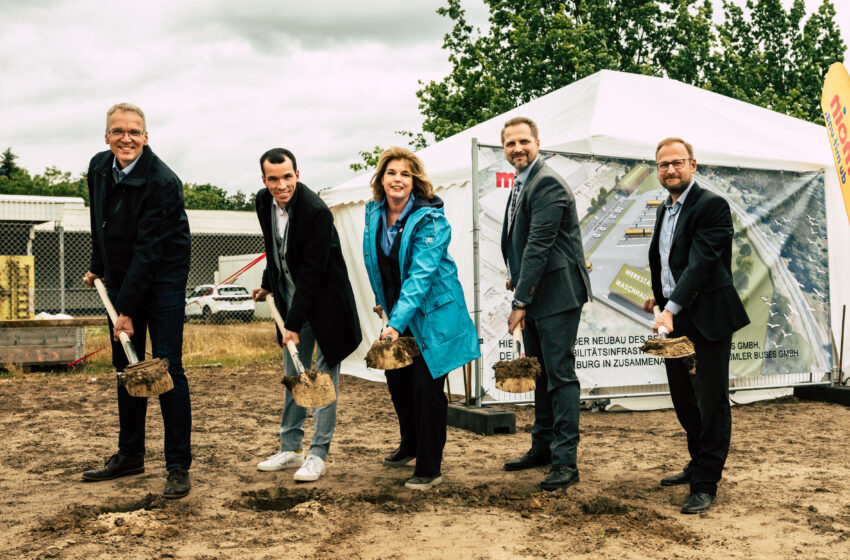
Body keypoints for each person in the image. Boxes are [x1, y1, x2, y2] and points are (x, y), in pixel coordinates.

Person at [81, 103, 192, 499]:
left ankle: (178, 465)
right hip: (123, 276)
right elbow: (101, 222)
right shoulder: (99, 167)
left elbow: (149, 250)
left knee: (164, 368)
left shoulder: (162, 182)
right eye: (117, 131)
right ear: (107, 136)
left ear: (146, 137)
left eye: (134, 132)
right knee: (127, 367)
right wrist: (99, 266)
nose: (125, 138)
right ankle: (131, 455)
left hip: (162, 277)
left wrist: (124, 310)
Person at [642, 137, 749, 514]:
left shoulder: (712, 206)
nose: (670, 170)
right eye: (663, 165)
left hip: (707, 319)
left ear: (693, 165)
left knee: (711, 402)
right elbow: (669, 261)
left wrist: (670, 307)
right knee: (685, 399)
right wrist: (661, 297)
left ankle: (706, 483)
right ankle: (696, 463)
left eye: (677, 163)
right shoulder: (664, 209)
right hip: (676, 317)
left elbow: (701, 264)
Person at [362, 147, 480, 491]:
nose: (398, 179)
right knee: (398, 384)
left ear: (415, 181)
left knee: (426, 391)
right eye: (391, 173)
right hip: (398, 314)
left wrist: (395, 323)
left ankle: (430, 466)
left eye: (405, 174)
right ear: (381, 179)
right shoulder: (374, 214)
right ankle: (410, 445)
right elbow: (378, 262)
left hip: (433, 316)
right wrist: (382, 302)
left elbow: (420, 276)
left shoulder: (431, 220)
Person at [252, 148, 362, 483]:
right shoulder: (262, 202)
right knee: (295, 379)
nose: (281, 185)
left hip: (327, 307)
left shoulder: (316, 212)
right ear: (264, 180)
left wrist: (293, 325)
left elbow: (313, 273)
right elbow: (275, 250)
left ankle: (317, 455)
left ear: (297, 175)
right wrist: (267, 284)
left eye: (287, 177)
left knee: (323, 383)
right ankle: (290, 448)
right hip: (290, 304)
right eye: (273, 179)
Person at [500, 116, 592, 491]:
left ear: (538, 143)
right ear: (504, 149)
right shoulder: (523, 182)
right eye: (510, 144)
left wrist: (520, 299)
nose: (517, 149)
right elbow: (523, 243)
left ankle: (565, 461)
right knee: (539, 375)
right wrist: (519, 281)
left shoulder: (547, 182)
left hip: (556, 296)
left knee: (560, 377)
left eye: (524, 141)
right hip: (538, 292)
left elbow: (539, 245)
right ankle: (542, 448)